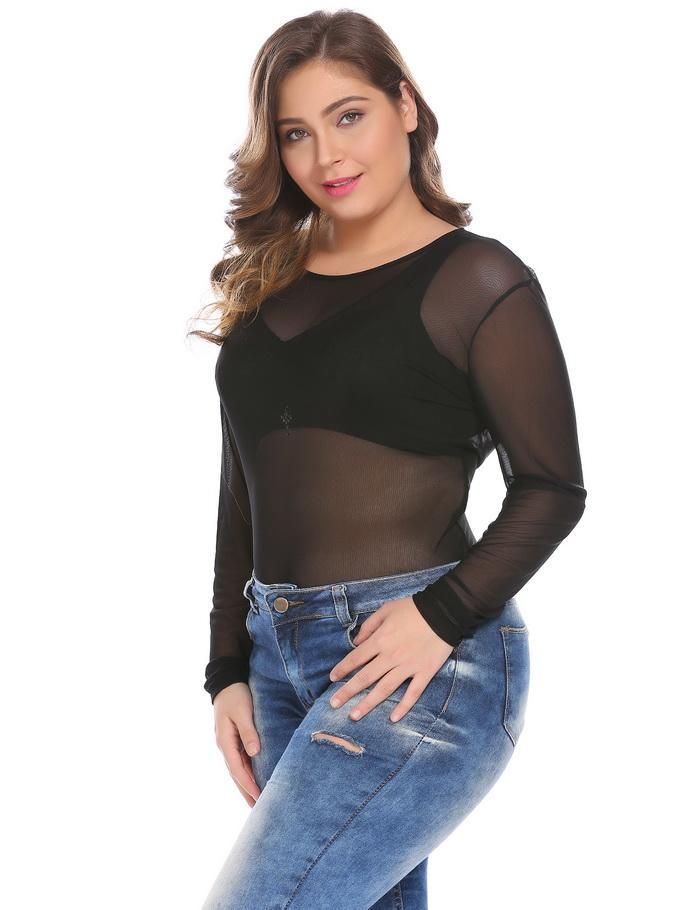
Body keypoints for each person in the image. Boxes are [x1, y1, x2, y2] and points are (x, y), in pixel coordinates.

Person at [190, 10, 587, 910]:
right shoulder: (269, 285)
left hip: (421, 660)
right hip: (276, 661)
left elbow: (552, 489)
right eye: (296, 132)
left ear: (406, 106)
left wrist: (439, 616)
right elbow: (242, 490)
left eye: (349, 115)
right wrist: (227, 668)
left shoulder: (478, 280)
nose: (326, 154)